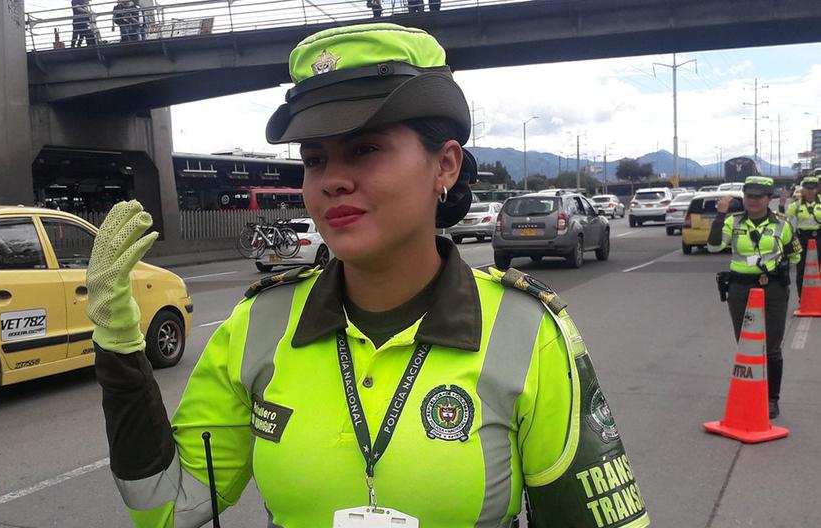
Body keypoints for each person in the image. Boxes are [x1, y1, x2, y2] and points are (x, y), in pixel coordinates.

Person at [87, 23, 649, 528]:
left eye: (364, 148)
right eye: (314, 159)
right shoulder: (257, 325)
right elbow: (168, 508)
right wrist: (118, 346)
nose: (331, 180)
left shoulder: (528, 332)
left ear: (445, 165)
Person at [708, 175, 801, 419]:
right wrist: (720, 214)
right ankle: (749, 394)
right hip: (740, 289)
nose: (753, 200)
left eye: (759, 196)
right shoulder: (733, 222)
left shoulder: (783, 224)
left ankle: (772, 399)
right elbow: (714, 246)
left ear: (768, 198)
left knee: (771, 346)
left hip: (772, 290)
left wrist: (777, 266)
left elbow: (796, 255)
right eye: (749, 196)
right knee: (746, 344)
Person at [782, 175, 821, 297]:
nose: (810, 191)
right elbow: (784, 219)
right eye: (807, 188)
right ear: (803, 189)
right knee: (802, 269)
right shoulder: (796, 205)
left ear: (817, 189)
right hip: (802, 239)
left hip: (819, 238)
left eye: (813, 188)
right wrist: (781, 206)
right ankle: (802, 297)